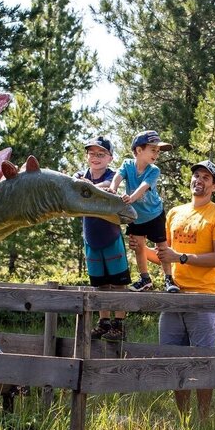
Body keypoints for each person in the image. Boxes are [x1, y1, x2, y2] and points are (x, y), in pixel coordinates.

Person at [155, 160, 215, 419]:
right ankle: (183, 418)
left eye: (206, 177)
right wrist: (140, 249)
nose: (199, 180)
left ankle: (204, 418)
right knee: (172, 358)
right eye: (196, 175)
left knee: (203, 360)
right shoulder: (174, 213)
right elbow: (165, 255)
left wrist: (182, 258)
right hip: (173, 297)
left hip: (204, 297)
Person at [74, 136, 132, 341]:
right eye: (92, 153)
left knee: (118, 283)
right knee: (99, 283)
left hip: (111, 236)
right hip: (90, 238)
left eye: (101, 154)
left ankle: (120, 323)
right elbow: (73, 189)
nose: (95, 157)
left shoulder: (112, 175)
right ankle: (104, 322)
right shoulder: (80, 175)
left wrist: (89, 187)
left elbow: (109, 186)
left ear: (110, 157)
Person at [110, 130, 180, 293]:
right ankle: (145, 278)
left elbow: (143, 187)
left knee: (161, 247)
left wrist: (131, 199)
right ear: (139, 150)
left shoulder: (153, 170)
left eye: (158, 151)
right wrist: (113, 189)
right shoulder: (127, 165)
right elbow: (118, 177)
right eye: (153, 149)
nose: (156, 154)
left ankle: (168, 279)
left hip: (154, 214)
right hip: (135, 216)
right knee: (139, 247)